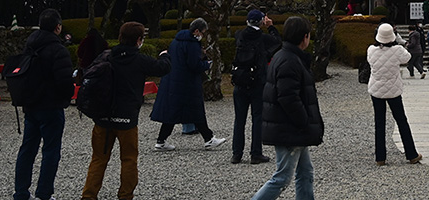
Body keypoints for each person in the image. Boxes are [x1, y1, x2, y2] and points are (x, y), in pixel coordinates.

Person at [80, 22, 172, 200]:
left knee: (99, 159)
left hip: (103, 116)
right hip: (126, 118)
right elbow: (163, 68)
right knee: (129, 159)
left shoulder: (107, 56)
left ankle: (88, 195)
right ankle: (125, 195)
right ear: (138, 40)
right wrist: (165, 56)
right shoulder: (139, 60)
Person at [250, 16, 323, 200]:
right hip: (290, 127)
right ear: (304, 37)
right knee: (282, 177)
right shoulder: (290, 61)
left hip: (289, 126)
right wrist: (304, 122)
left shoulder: (284, 56)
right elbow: (288, 98)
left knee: (305, 173)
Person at [13, 8, 74, 200]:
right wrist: (67, 97)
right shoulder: (58, 50)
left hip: (31, 103)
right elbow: (64, 82)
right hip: (51, 105)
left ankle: (21, 192)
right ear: (58, 27)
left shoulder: (30, 46)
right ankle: (44, 193)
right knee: (51, 150)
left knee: (27, 149)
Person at [151, 18, 227, 150]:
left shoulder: (176, 41)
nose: (202, 35)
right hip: (187, 82)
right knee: (196, 110)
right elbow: (194, 65)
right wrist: (206, 64)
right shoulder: (192, 44)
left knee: (172, 113)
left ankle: (161, 140)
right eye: (202, 32)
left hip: (173, 80)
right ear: (196, 31)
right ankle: (208, 139)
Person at [366, 23, 421, 166]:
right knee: (401, 121)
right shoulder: (397, 50)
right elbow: (408, 57)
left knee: (379, 122)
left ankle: (380, 157)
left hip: (376, 89)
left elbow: (370, 61)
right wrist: (398, 41)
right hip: (393, 90)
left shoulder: (371, 50)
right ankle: (411, 154)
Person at [232, 10, 282, 165]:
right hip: (257, 82)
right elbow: (277, 42)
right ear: (261, 22)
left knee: (239, 119)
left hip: (240, 80)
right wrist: (271, 27)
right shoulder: (262, 38)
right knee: (257, 118)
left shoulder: (240, 35)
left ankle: (236, 153)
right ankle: (256, 153)